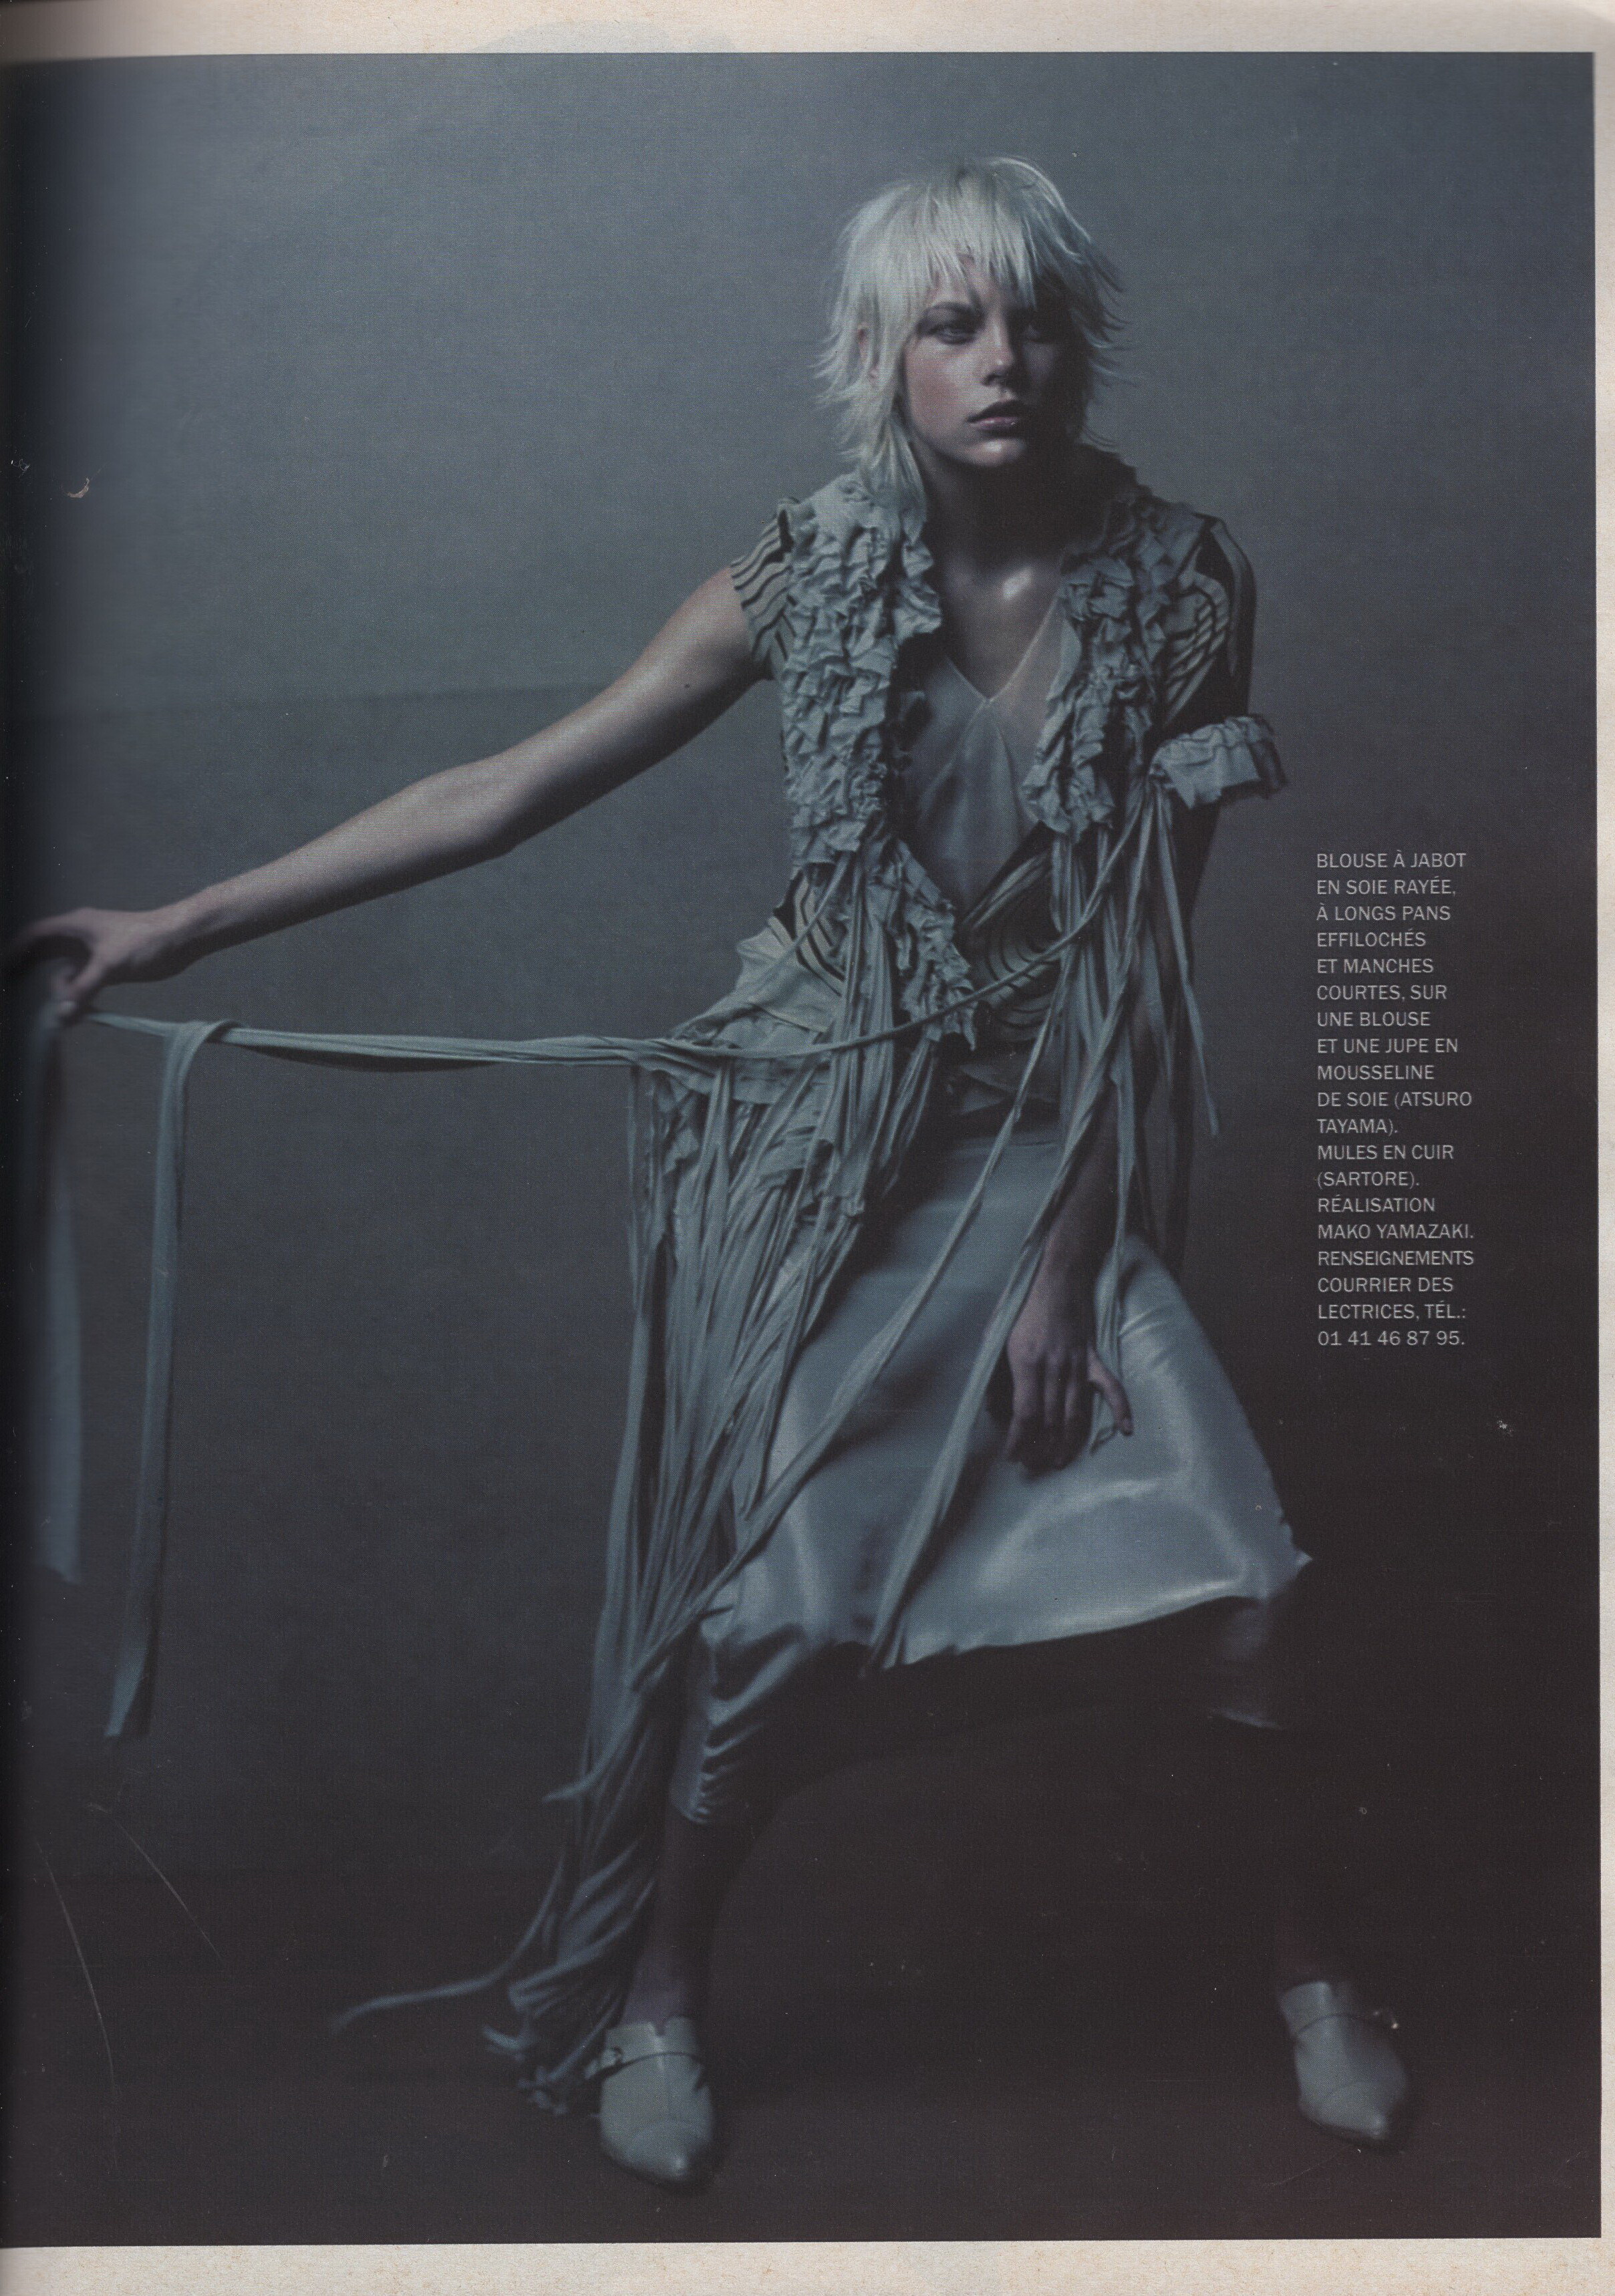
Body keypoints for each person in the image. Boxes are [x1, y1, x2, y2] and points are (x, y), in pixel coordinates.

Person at [12, 157, 1411, 2192]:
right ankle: (657, 1998)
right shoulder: (803, 570)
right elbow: (504, 786)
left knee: (1248, 1579)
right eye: (949, 325)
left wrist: (1062, 1269)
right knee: (768, 1611)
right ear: (878, 357)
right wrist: (177, 924)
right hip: (817, 1162)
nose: (1000, 361)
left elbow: (1144, 960)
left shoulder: (1186, 578)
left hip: (1048, 1160)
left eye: (1031, 320)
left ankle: (1313, 1977)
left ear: (1080, 342)